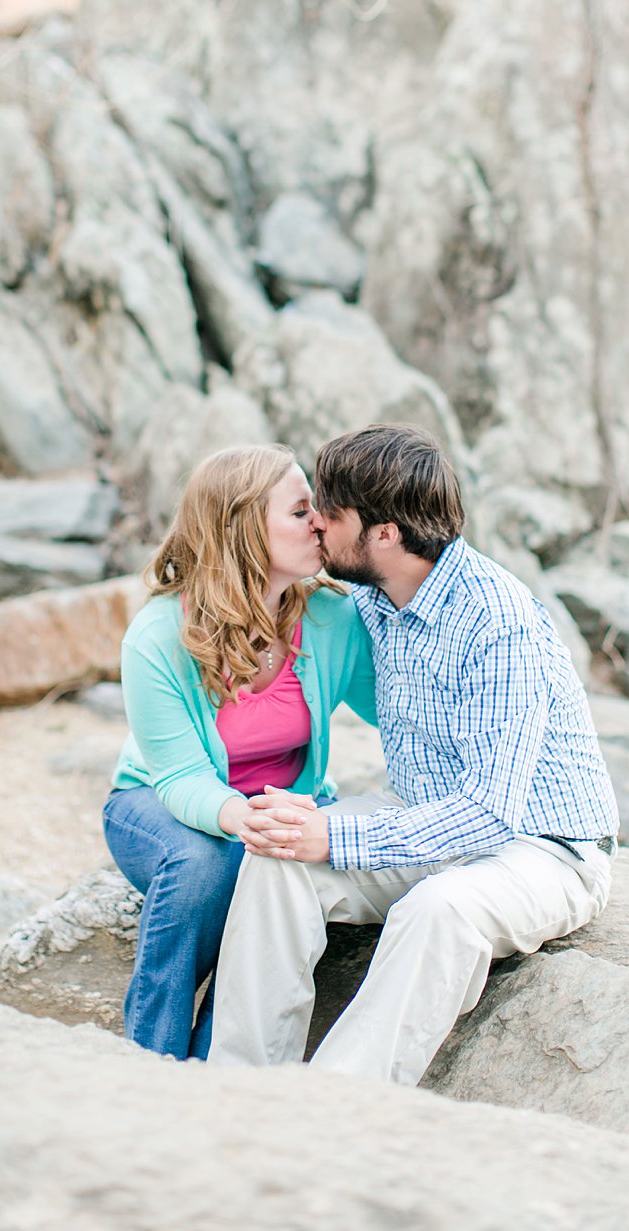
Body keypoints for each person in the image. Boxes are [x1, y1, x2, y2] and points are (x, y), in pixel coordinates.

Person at [209, 423, 618, 1086]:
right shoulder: (373, 595)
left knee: (440, 908)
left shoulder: (497, 619)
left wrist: (338, 832)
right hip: (423, 815)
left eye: (331, 514)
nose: (315, 522)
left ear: (386, 534)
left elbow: (490, 812)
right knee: (278, 849)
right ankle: (240, 1089)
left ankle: (332, 1110)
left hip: (543, 844)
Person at [105, 444, 378, 1059]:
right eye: (301, 509)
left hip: (283, 801)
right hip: (160, 801)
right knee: (209, 866)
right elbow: (178, 776)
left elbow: (397, 713)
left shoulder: (333, 618)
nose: (321, 522)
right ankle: (148, 1061)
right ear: (245, 528)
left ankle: (215, 1069)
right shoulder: (158, 637)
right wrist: (242, 817)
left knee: (277, 872)